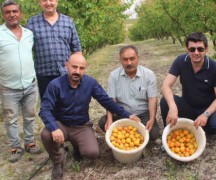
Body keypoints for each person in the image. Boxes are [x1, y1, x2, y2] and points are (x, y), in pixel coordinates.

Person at [39, 54, 140, 179]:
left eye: (81, 68)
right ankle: (57, 161)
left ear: (85, 69)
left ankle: (76, 145)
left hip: (81, 125)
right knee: (46, 134)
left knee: (92, 153)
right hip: (62, 124)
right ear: (66, 66)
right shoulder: (55, 85)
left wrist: (127, 115)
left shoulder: (90, 83)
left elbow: (106, 101)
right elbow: (44, 110)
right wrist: (54, 128)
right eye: (74, 67)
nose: (77, 71)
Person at [160, 32, 216, 136]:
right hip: (188, 107)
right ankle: (169, 133)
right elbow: (166, 86)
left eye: (200, 49)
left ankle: (200, 129)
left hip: (208, 108)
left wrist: (205, 114)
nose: (196, 52)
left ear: (206, 49)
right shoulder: (180, 61)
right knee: (165, 101)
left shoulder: (215, 68)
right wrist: (173, 106)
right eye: (192, 49)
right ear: (187, 49)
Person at [0, 0, 41, 163]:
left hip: (30, 84)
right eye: (8, 12)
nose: (12, 14)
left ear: (20, 13)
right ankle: (15, 147)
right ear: (3, 15)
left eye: (15, 11)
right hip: (8, 87)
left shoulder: (29, 33)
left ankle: (30, 142)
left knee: (30, 115)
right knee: (10, 118)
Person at [98, 45, 160, 140]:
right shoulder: (114, 76)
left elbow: (152, 99)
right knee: (103, 122)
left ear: (138, 58)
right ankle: (130, 136)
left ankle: (128, 135)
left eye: (132, 59)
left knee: (154, 133)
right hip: (121, 114)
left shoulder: (148, 75)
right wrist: (110, 119)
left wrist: (151, 119)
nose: (129, 63)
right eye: (125, 59)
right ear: (120, 60)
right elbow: (111, 100)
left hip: (142, 115)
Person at [26, 0, 82, 100]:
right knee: (48, 106)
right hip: (43, 75)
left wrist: (78, 71)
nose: (48, 3)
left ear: (57, 1)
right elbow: (25, 50)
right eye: (44, 0)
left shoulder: (68, 21)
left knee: (68, 105)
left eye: (51, 0)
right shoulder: (32, 23)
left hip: (65, 74)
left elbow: (77, 50)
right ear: (39, 2)